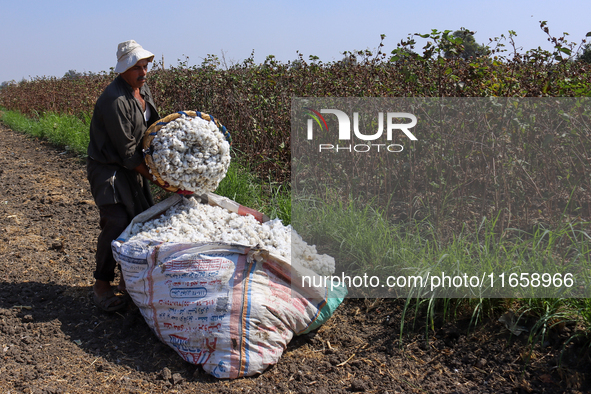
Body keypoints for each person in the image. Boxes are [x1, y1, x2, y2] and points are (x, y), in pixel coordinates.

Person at [87, 40, 163, 312]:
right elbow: (128, 153)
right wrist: (159, 179)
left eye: (145, 66)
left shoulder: (141, 90)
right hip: (108, 168)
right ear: (122, 70)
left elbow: (155, 128)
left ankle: (127, 281)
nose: (143, 72)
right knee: (117, 220)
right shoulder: (114, 100)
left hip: (133, 166)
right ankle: (101, 285)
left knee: (141, 219)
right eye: (136, 67)